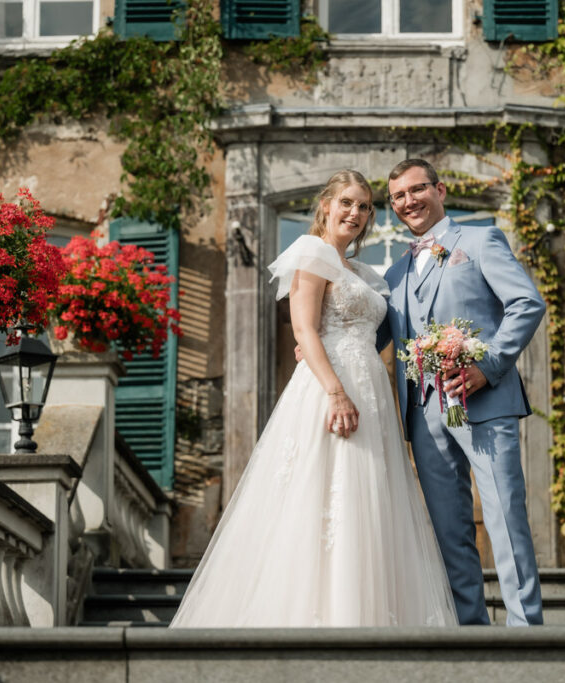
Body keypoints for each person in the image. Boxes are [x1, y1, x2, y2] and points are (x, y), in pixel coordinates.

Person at [170, 170, 458, 628]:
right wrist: (336, 392)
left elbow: (380, 331)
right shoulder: (312, 253)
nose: (356, 214)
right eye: (347, 202)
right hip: (332, 390)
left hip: (372, 394)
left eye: (364, 207)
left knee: (370, 500)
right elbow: (304, 327)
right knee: (325, 494)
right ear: (326, 205)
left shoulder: (363, 272)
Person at [377, 158, 546, 626]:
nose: (408, 201)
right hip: (424, 418)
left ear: (440, 189)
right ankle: (471, 631)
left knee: (506, 519)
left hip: (486, 405)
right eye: (398, 197)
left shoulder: (479, 240)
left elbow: (526, 303)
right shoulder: (393, 275)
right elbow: (373, 340)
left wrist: (486, 366)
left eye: (417, 190)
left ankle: (527, 629)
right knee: (449, 532)